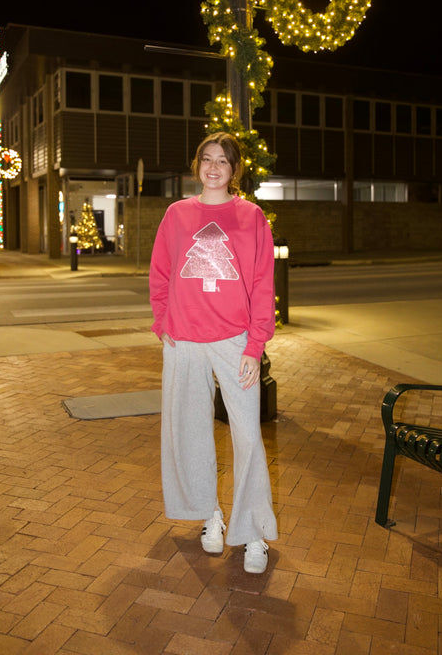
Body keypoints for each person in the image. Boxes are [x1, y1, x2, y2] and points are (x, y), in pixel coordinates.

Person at [149, 131, 278, 574]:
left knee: (248, 436)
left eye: (223, 160)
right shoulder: (178, 214)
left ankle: (253, 531)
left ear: (234, 169)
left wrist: (256, 344)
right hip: (183, 340)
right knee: (190, 430)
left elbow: (263, 283)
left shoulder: (252, 217)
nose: (214, 167)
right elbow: (161, 271)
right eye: (207, 158)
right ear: (197, 165)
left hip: (234, 341)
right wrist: (162, 320)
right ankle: (211, 517)